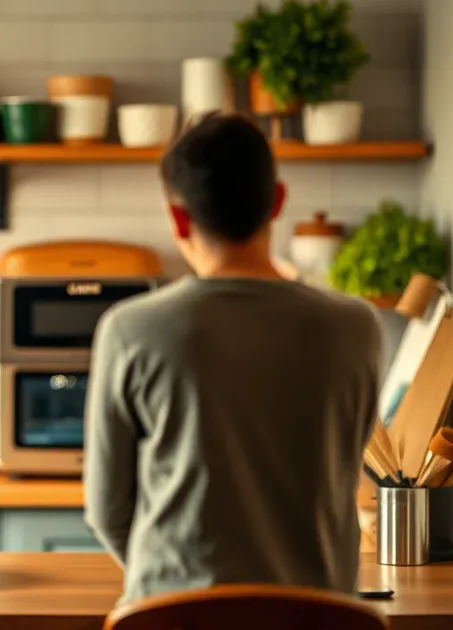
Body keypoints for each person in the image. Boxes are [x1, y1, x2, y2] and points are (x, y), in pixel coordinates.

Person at [82, 113, 382, 604]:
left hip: (173, 620)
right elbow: (343, 470)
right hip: (317, 622)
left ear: (179, 218)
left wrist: (180, 595)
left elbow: (107, 509)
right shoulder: (356, 328)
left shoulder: (130, 329)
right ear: (277, 202)